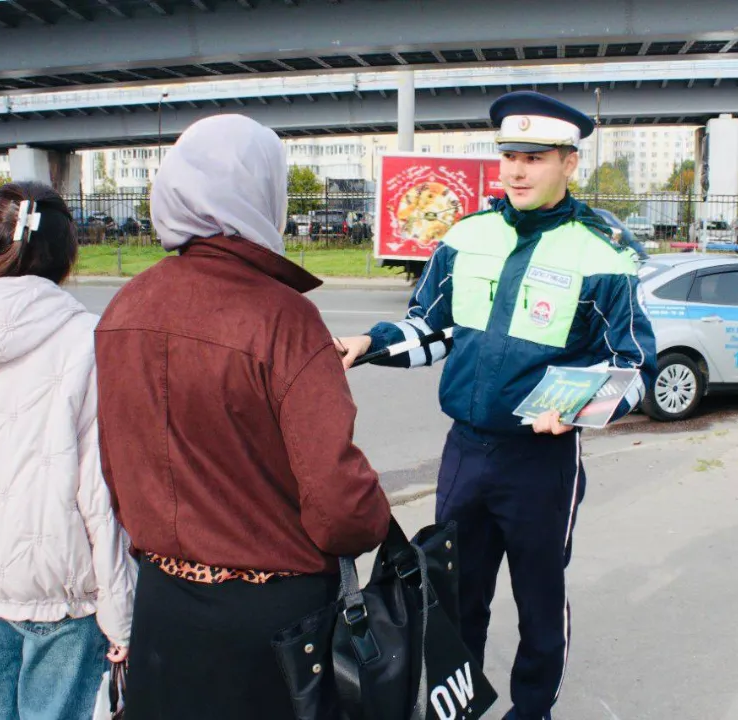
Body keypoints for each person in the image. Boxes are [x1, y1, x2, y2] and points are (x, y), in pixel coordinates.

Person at [335, 91, 658, 720]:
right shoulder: (466, 236)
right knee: (455, 597)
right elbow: (431, 330)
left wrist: (580, 407)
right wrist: (368, 343)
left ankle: (530, 709)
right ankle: (457, 707)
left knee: (540, 598)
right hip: (463, 454)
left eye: (533, 157)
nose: (515, 170)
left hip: (541, 460)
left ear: (570, 163)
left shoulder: (605, 254)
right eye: (509, 155)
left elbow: (634, 368)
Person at [93, 114, 392, 719]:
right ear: (264, 194)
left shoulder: (125, 307)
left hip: (163, 605)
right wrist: (375, 521)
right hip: (275, 623)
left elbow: (117, 470)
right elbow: (340, 508)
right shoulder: (284, 319)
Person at [0, 183, 134, 720]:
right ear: (67, 258)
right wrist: (122, 616)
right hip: (57, 580)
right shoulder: (86, 338)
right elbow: (97, 492)